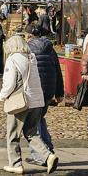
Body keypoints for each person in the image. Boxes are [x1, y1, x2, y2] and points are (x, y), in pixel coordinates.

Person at [0, 34, 59, 174]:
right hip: (36, 101)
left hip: (20, 101)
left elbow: (9, 83)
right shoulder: (31, 58)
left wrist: (2, 96)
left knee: (13, 134)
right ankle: (48, 156)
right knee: (32, 132)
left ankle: (15, 164)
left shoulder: (12, 59)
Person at [28, 22, 64, 166]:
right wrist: (59, 92)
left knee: (32, 123)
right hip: (48, 89)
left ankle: (42, 155)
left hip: (35, 89)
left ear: (29, 35)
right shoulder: (50, 48)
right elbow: (57, 70)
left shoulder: (28, 48)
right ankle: (48, 149)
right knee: (40, 119)